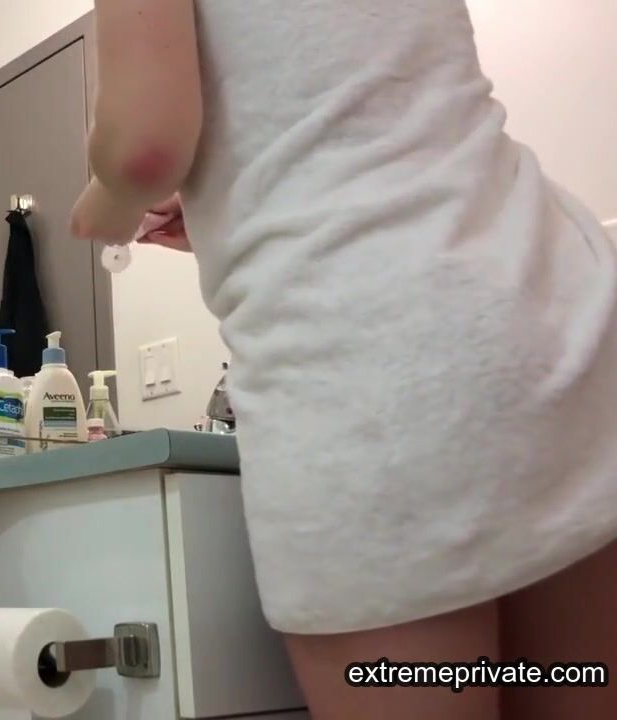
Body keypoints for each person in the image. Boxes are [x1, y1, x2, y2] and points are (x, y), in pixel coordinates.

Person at [72, 2, 617, 719]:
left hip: (375, 371)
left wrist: (106, 205)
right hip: (553, 312)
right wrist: (236, 197)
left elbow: (142, 149)